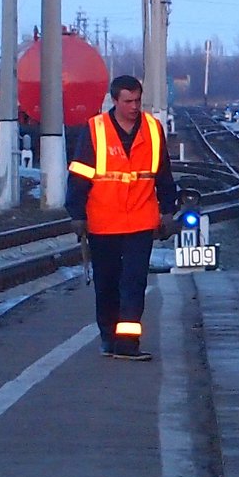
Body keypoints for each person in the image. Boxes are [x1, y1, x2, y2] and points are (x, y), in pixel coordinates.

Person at [66, 74, 177, 361]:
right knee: (107, 283)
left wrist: (167, 210)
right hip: (103, 222)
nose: (134, 106)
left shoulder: (153, 130)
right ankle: (109, 338)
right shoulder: (96, 130)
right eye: (128, 101)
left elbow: (163, 174)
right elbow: (80, 175)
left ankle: (127, 343)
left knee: (134, 281)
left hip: (140, 221)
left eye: (138, 100)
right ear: (114, 101)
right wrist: (76, 213)